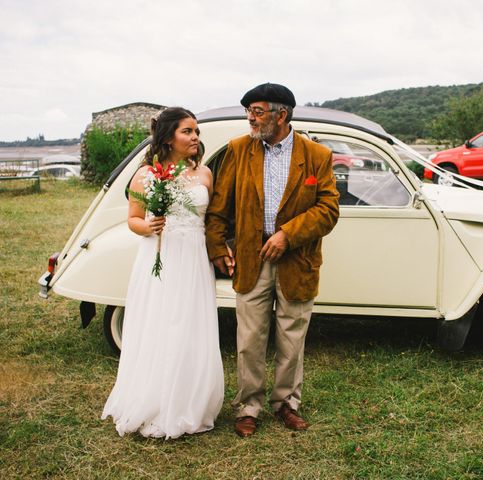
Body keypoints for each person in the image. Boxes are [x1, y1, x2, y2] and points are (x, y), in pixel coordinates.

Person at [205, 83, 340, 437]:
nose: (250, 117)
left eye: (258, 111)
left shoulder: (317, 156)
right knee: (249, 337)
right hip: (251, 258)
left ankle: (287, 404)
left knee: (292, 335)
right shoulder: (238, 150)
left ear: (282, 114)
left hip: (297, 259)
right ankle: (248, 406)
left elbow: (328, 210)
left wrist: (287, 235)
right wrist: (217, 247)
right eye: (248, 111)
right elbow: (219, 208)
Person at [102, 107, 224, 439]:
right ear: (169, 137)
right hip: (161, 256)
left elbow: (209, 220)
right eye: (188, 131)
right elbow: (133, 219)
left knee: (191, 324)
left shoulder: (205, 174)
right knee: (162, 322)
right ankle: (156, 400)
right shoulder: (146, 175)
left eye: (197, 131)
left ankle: (191, 401)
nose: (195, 137)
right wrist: (148, 226)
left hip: (194, 258)